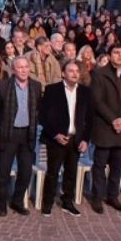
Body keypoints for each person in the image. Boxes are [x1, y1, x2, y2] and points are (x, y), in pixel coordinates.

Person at [90, 44, 121, 214]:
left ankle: (112, 196)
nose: (119, 56)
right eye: (115, 53)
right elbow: (97, 101)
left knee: (117, 165)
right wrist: (113, 120)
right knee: (100, 164)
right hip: (105, 126)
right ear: (109, 55)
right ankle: (97, 197)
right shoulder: (99, 73)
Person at [39, 60, 93, 217]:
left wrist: (85, 139)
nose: (75, 73)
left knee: (71, 173)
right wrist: (55, 134)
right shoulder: (52, 90)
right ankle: (47, 203)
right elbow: (43, 116)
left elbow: (90, 119)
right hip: (57, 139)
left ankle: (67, 202)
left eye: (77, 70)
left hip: (76, 139)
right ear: (63, 73)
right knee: (53, 172)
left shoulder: (85, 92)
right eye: (71, 70)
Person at [0, 56, 40, 217]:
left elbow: (37, 110)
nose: (23, 70)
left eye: (26, 67)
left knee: (26, 171)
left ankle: (17, 201)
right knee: (3, 171)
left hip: (27, 133)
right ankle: (1, 203)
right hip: (8, 133)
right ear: (13, 69)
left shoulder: (36, 86)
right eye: (20, 67)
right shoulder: (2, 86)